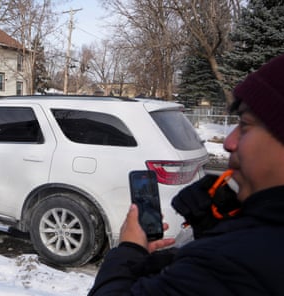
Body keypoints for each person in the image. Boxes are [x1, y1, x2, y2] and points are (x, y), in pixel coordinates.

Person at [88, 53, 284, 295]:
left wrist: (128, 250)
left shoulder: (235, 261)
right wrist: (215, 229)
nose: (229, 142)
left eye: (245, 124)